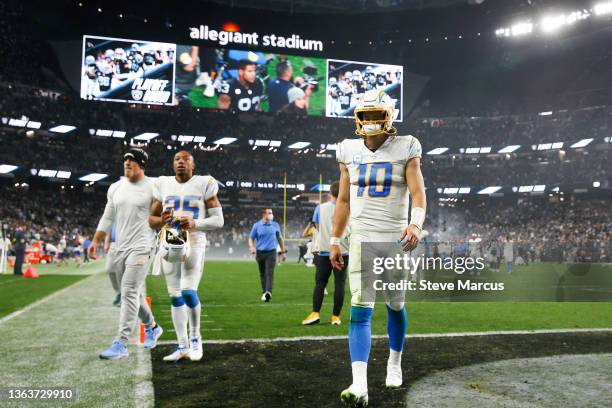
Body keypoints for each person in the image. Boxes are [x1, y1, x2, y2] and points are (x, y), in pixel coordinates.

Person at [331, 90, 426, 406]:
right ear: (357, 118)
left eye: (376, 115)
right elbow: (343, 201)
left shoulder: (406, 146)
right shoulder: (347, 150)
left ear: (389, 117)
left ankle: (395, 362)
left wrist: (415, 224)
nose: (370, 121)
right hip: (361, 240)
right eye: (365, 115)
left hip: (396, 241)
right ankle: (359, 385)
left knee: (395, 305)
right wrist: (334, 239)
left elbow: (417, 192)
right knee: (359, 311)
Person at [149, 150, 224, 362]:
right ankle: (182, 346)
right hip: (170, 238)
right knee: (175, 295)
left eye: (185, 159)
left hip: (195, 240)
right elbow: (151, 219)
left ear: (193, 165)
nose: (181, 162)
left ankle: (195, 339)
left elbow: (219, 220)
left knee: (188, 291)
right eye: (176, 159)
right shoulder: (162, 183)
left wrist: (195, 223)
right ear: (173, 164)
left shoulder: (204, 183)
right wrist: (160, 221)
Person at [88, 148, 163, 360]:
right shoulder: (115, 188)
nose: (127, 163)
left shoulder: (154, 187)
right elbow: (107, 216)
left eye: (132, 160)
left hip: (142, 246)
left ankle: (121, 343)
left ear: (141, 164)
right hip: (121, 246)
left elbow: (161, 215)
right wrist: (95, 240)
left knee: (129, 291)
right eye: (125, 160)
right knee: (131, 291)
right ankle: (152, 327)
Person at [302, 181, 349, 326]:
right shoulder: (349, 207)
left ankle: (315, 313)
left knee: (320, 283)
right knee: (339, 284)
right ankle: (336, 317)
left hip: (324, 251)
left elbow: (315, 226)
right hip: (343, 250)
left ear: (330, 193)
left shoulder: (320, 208)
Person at [248, 208, 287, 302]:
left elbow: (280, 238)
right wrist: (252, 247)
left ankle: (268, 292)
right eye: (269, 213)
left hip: (272, 252)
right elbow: (251, 238)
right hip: (260, 253)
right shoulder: (257, 225)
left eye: (271, 213)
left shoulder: (275, 225)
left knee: (269, 273)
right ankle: (264, 292)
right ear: (264, 215)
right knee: (262, 274)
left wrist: (283, 252)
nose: (271, 215)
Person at [104, 224, 121, 307]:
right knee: (109, 268)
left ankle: (125, 296)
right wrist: (106, 242)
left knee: (124, 271)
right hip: (113, 244)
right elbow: (109, 228)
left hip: (127, 242)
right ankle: (119, 293)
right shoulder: (114, 211)